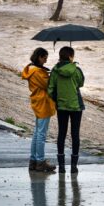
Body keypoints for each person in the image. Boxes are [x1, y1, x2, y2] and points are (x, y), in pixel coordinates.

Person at [48, 46, 84, 174]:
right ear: (70, 57)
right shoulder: (76, 70)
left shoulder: (55, 70)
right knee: (75, 134)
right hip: (76, 106)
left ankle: (62, 165)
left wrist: (57, 100)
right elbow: (81, 83)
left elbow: (50, 89)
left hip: (61, 106)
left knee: (61, 134)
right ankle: (74, 166)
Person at [22, 47, 56, 172]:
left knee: (37, 133)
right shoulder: (38, 72)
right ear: (39, 57)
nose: (46, 61)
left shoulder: (31, 69)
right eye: (45, 58)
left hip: (37, 102)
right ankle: (40, 161)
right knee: (41, 134)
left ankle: (33, 160)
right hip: (43, 103)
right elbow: (49, 85)